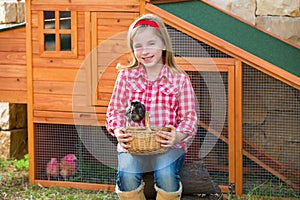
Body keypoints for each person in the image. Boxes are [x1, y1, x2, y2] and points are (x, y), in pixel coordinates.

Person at [106, 13, 197, 200]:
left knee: (166, 175)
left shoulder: (179, 79)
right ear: (133, 50)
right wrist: (117, 130)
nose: (145, 51)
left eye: (151, 44)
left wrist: (177, 136)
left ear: (163, 45)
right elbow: (114, 112)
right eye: (138, 46)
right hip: (134, 144)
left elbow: (189, 119)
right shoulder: (125, 77)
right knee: (127, 175)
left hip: (168, 146)